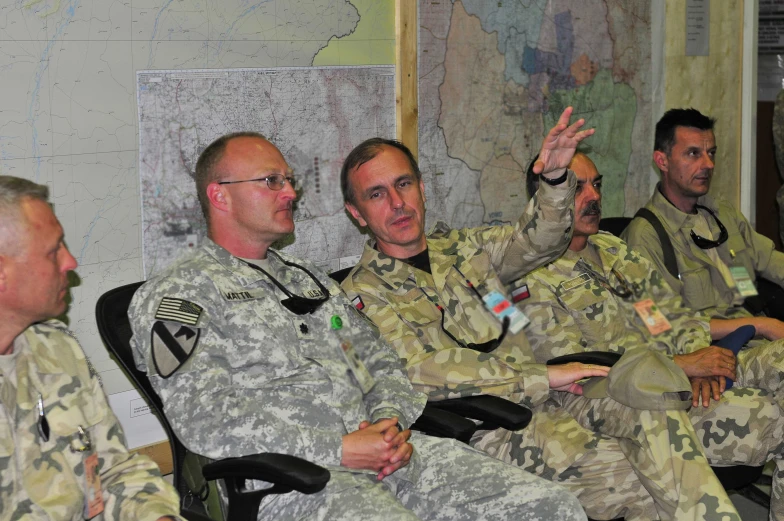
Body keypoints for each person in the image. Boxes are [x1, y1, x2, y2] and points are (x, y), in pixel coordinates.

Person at [128, 131, 586, 521]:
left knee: (551, 506)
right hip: (293, 481)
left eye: (289, 180)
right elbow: (205, 420)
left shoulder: (308, 281)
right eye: (272, 181)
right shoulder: (181, 296)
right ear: (220, 195)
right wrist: (340, 448)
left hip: (389, 456)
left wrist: (388, 423)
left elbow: (376, 362)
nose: (290, 192)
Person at [339, 109, 739, 521]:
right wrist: (539, 377)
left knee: (658, 416)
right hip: (494, 424)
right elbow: (420, 372)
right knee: (650, 479)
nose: (397, 203)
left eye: (403, 184)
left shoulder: (465, 250)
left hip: (558, 395)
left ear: (422, 188)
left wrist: (554, 179)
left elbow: (541, 238)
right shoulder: (360, 294)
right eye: (376, 194)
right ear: (357, 213)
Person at [521, 151, 784, 521]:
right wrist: (680, 368)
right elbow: (577, 374)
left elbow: (666, 319)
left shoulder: (614, 250)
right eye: (576, 188)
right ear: (545, 199)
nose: (593, 196)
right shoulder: (530, 277)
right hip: (632, 403)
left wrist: (701, 361)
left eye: (596, 184)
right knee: (772, 415)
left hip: (689, 372)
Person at [0, 176, 181, 521]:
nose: (70, 262)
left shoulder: (56, 348)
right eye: (54, 250)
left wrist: (158, 516)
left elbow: (113, 471)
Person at [622, 108, 784, 331]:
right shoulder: (645, 236)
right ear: (662, 161)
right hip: (709, 352)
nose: (709, 164)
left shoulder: (723, 214)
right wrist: (760, 326)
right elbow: (657, 323)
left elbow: (769, 260)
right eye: (693, 153)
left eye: (711, 153)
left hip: (754, 335)